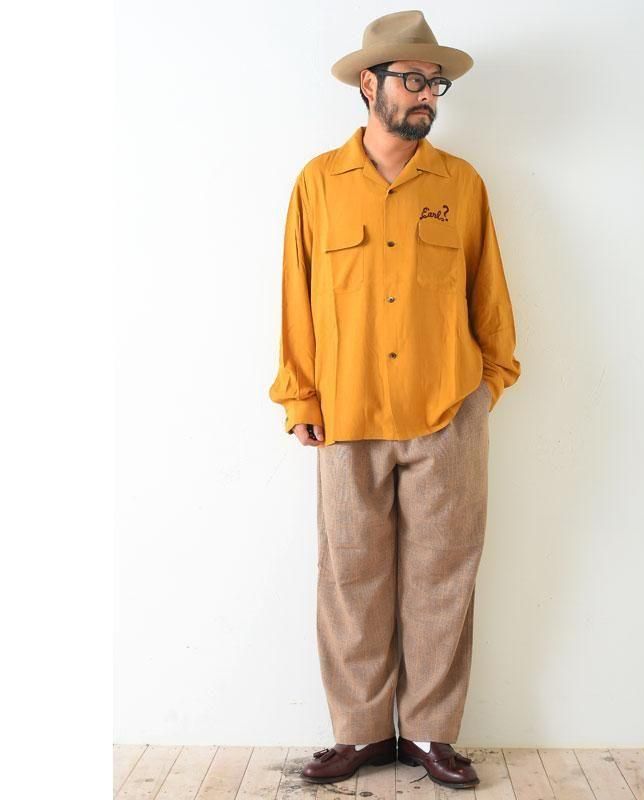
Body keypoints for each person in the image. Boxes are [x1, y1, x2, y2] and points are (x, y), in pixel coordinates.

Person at [268, 10, 521, 789]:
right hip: (346, 416)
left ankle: (433, 735)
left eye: (435, 83)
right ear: (368, 84)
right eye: (413, 79)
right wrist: (300, 397)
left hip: (447, 413)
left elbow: (489, 297)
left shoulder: (461, 184)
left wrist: (486, 384)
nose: (428, 95)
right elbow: (296, 302)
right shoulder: (318, 183)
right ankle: (363, 735)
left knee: (444, 577)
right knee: (352, 578)